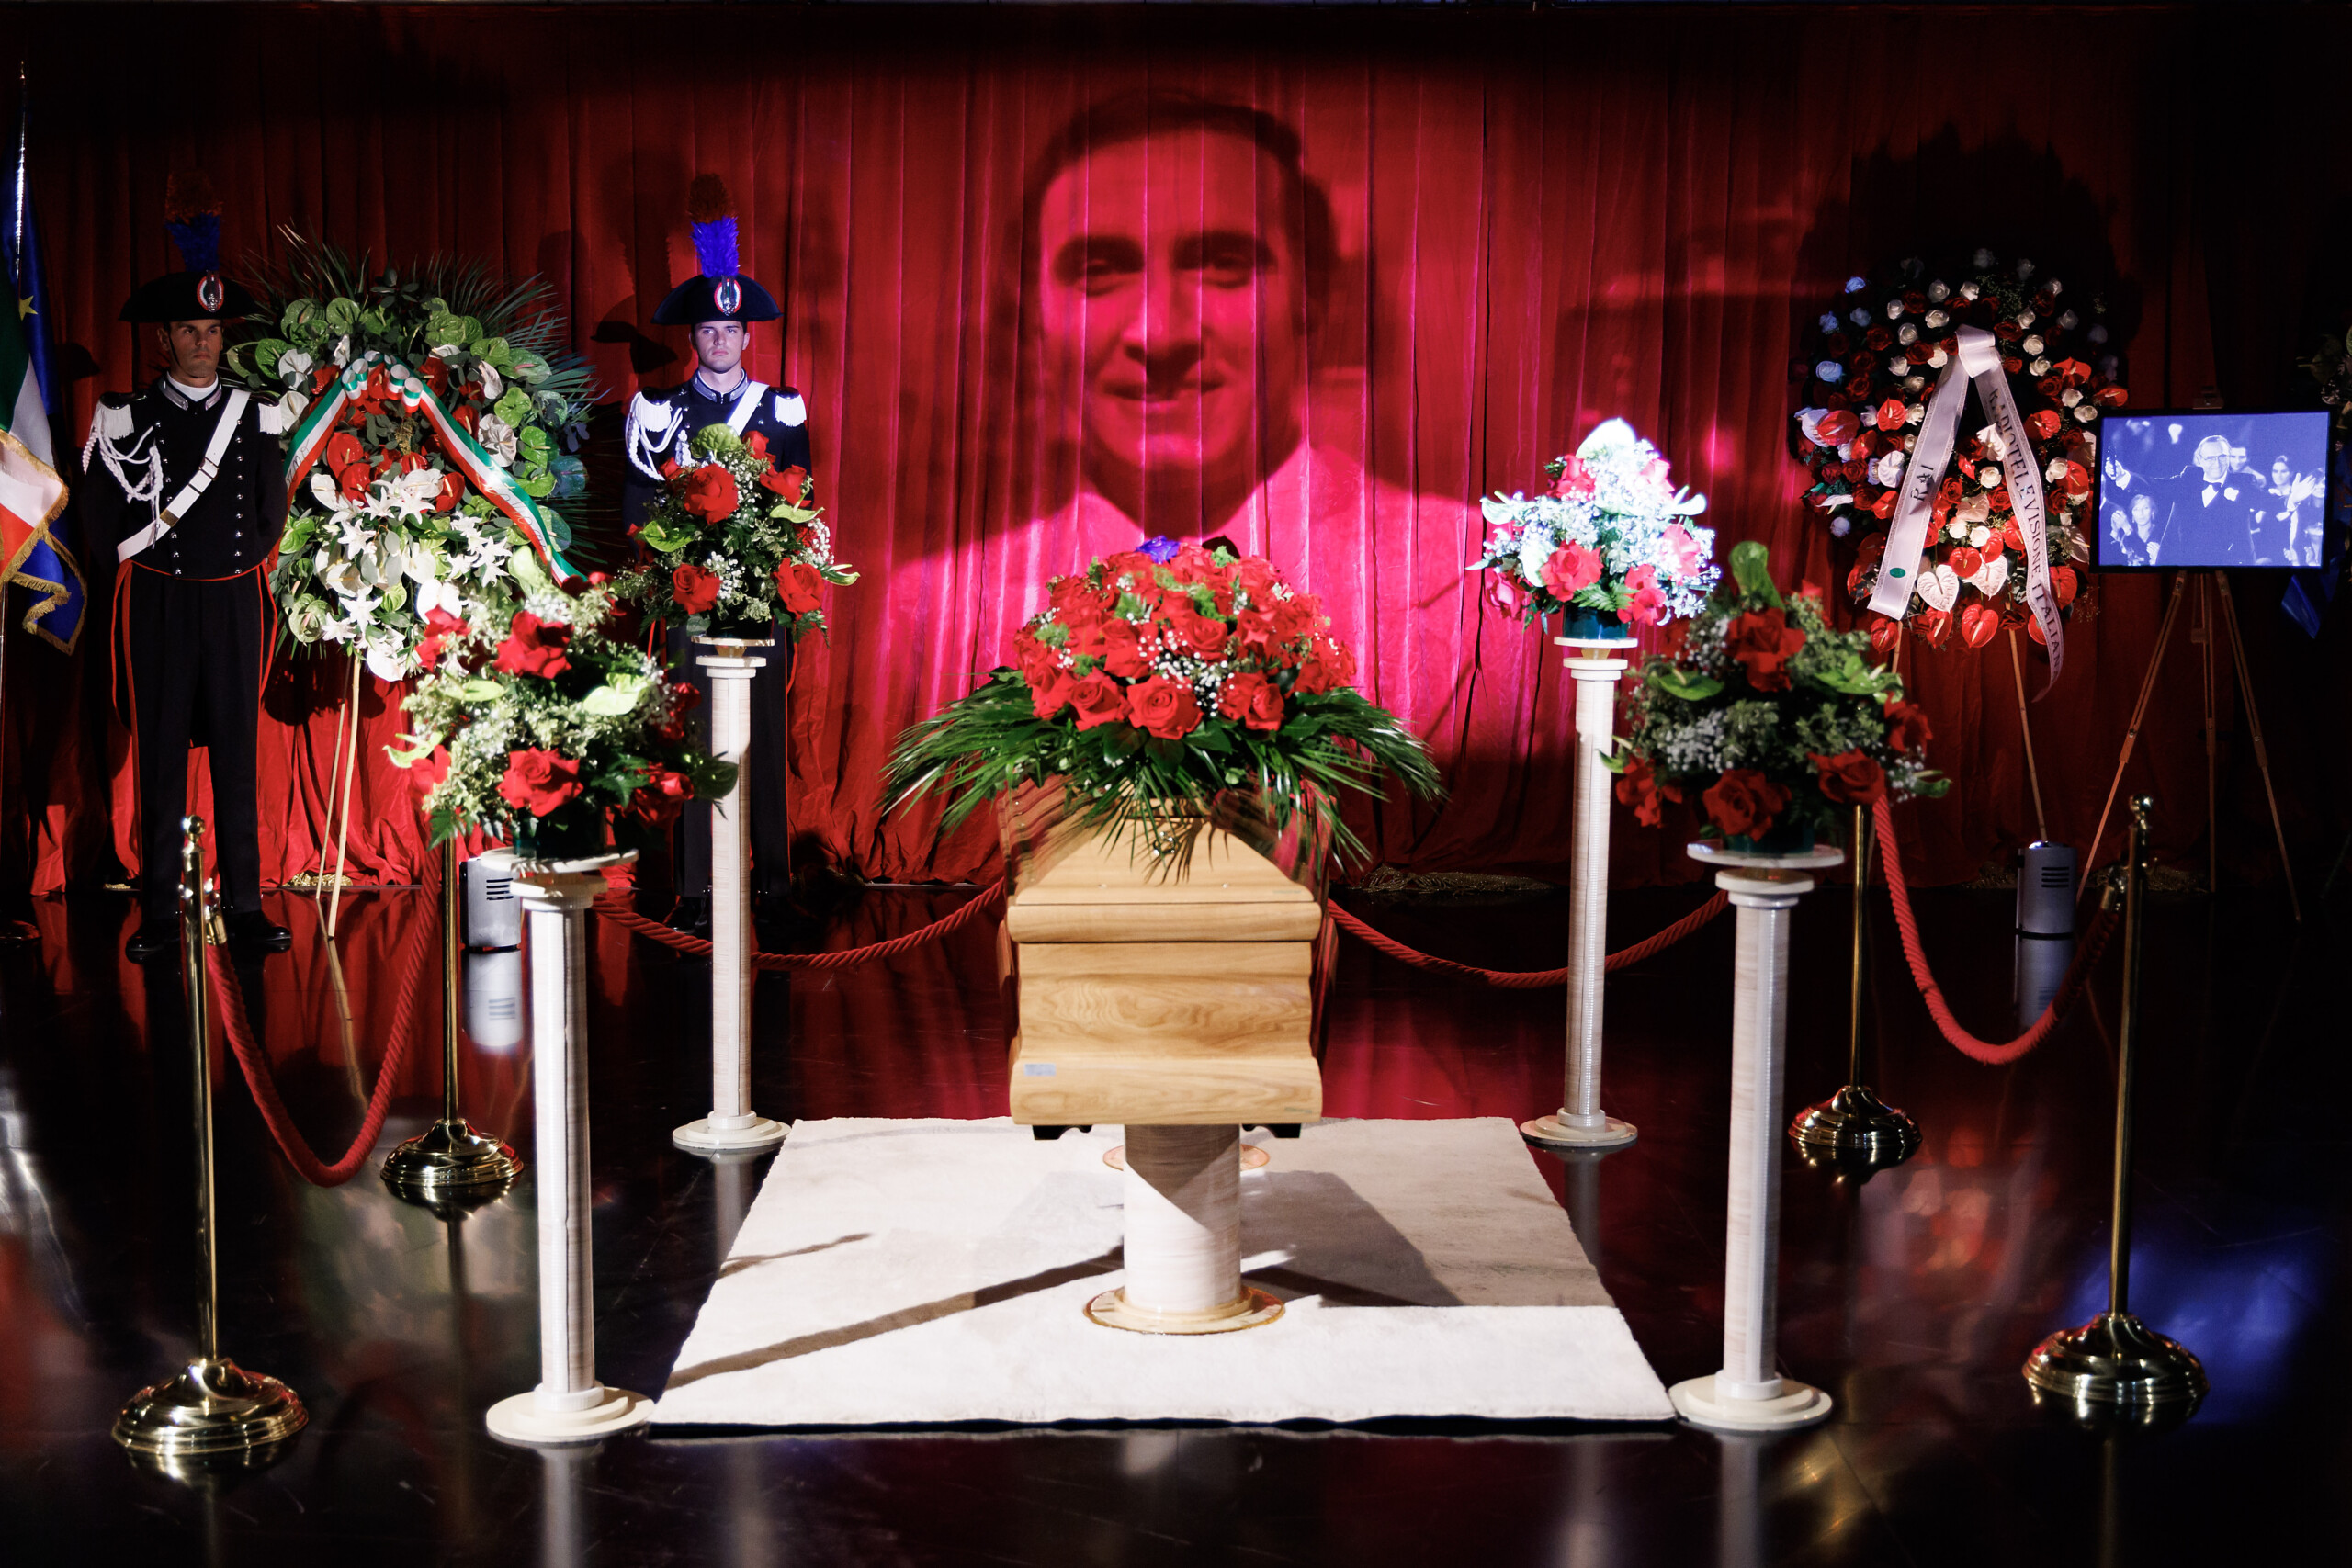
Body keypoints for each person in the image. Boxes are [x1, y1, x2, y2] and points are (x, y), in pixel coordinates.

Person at [1011, 92, 1474, 569]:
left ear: (1309, 298)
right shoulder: (958, 602)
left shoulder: (1482, 575)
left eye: (1221, 265)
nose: (1159, 334)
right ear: (1035, 321)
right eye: (1098, 271)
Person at [78, 175, 291, 960]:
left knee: (239, 753)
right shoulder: (124, 415)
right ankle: (161, 914)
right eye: (187, 331)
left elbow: (268, 513)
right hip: (160, 600)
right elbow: (104, 522)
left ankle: (244, 907)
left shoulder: (256, 411)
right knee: (163, 753)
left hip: (233, 598)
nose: (203, 343)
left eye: (212, 329)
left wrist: (234, 565)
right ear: (162, 340)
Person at [622, 175, 812, 934]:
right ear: (693, 337)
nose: (720, 341)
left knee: (762, 737)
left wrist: (784, 570)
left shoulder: (781, 406)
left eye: (731, 332)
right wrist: (670, 578)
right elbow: (640, 510)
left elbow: (797, 498)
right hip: (690, 595)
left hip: (759, 597)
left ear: (746, 334)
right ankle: (696, 888)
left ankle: (772, 882)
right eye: (707, 331)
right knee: (697, 737)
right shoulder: (658, 411)